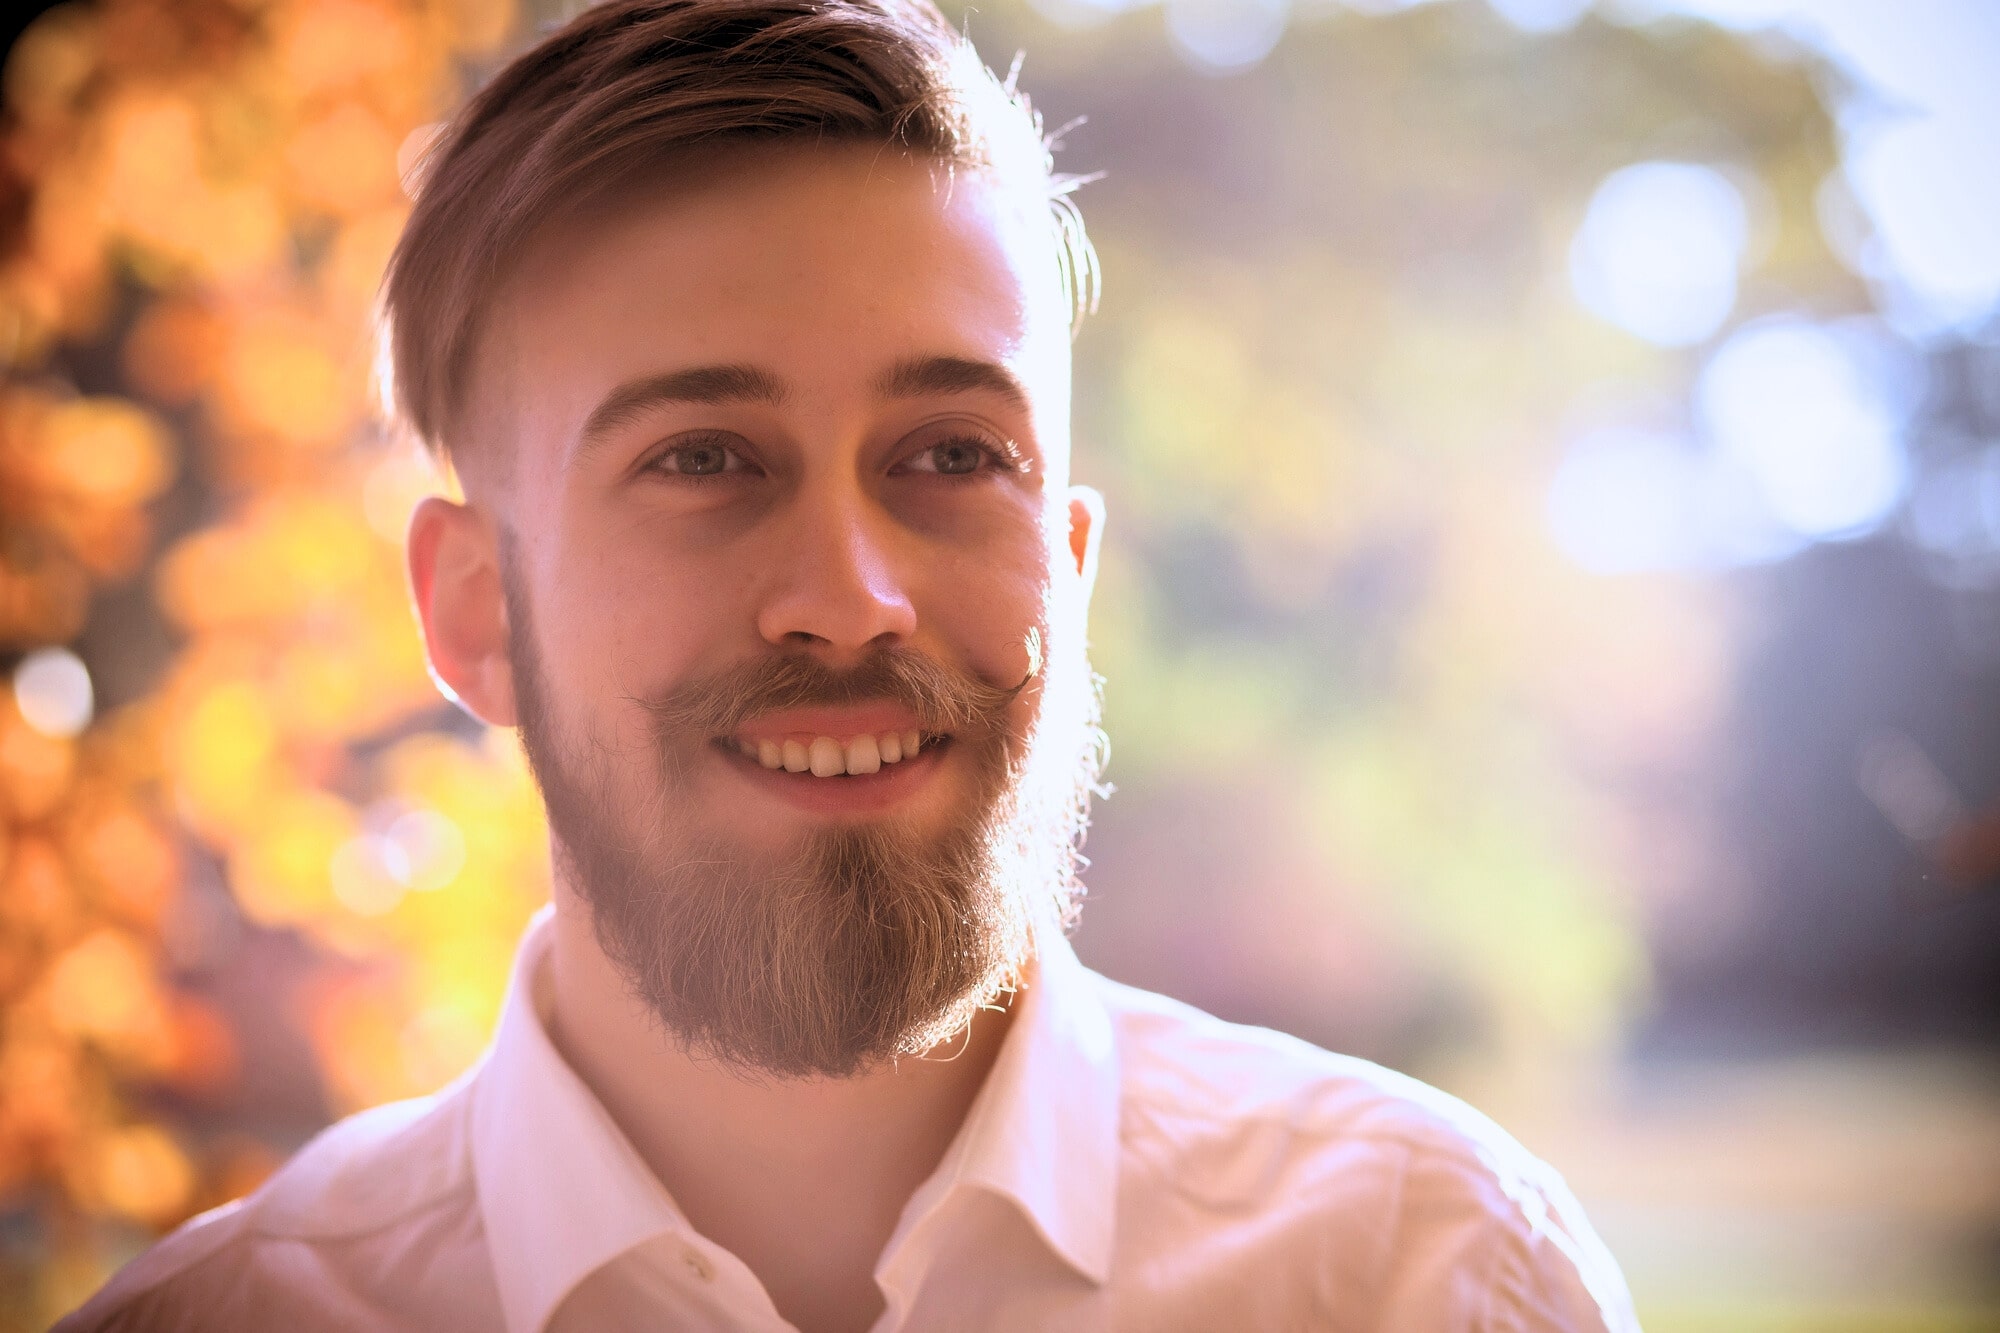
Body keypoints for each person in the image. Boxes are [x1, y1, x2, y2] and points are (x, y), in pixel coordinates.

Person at [58, 1, 1638, 1329]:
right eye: (702, 460)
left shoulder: (1432, 1271)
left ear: (1070, 576)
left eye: (953, 450)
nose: (850, 598)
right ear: (475, 611)